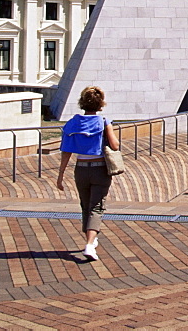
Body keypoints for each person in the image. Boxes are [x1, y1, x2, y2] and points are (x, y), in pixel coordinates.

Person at [57, 86, 119, 261]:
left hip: (81, 169)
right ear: (100, 104)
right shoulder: (104, 121)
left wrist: (60, 175)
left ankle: (91, 239)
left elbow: (66, 151)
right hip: (100, 169)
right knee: (96, 207)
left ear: (82, 103)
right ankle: (90, 245)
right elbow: (115, 146)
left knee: (85, 205)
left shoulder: (72, 123)